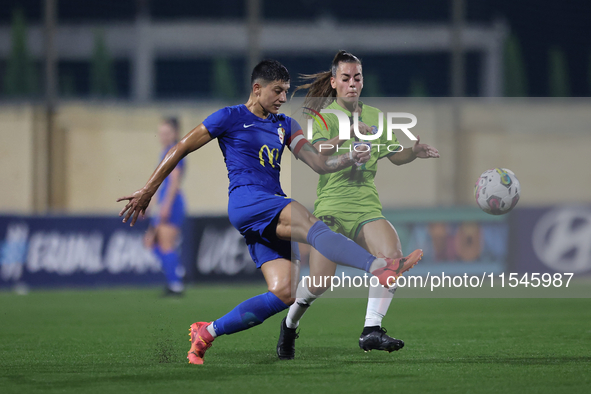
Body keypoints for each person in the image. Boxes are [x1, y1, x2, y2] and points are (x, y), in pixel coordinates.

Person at [117, 59, 423, 365]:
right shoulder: (229, 117)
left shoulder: (286, 125)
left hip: (269, 208)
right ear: (257, 88)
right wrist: (148, 190)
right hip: (248, 201)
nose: (282, 98)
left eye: (286, 92)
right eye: (277, 91)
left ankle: (206, 332)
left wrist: (347, 153)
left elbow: (317, 162)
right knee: (312, 225)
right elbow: (181, 147)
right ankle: (377, 267)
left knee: (285, 292)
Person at [277, 51, 439, 359]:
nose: (353, 83)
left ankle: (371, 331)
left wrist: (413, 151)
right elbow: (317, 153)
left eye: (358, 77)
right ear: (335, 82)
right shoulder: (323, 116)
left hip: (365, 207)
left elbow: (394, 156)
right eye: (346, 78)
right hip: (331, 210)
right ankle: (289, 323)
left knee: (391, 258)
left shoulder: (376, 117)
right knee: (319, 284)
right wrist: (346, 135)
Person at [143, 117, 186, 296]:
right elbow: (159, 184)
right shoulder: (165, 152)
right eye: (161, 133)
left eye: (167, 133)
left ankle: (175, 284)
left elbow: (174, 181)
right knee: (150, 242)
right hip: (164, 203)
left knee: (166, 244)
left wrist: (166, 205)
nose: (163, 136)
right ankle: (175, 268)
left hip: (171, 203)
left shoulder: (175, 152)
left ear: (175, 133)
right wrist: (149, 203)